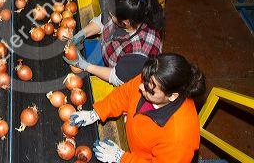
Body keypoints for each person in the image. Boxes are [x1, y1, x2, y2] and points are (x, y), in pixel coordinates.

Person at [70, 53, 206, 163]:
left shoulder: (179, 140)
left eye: (148, 88)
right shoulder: (152, 79)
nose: (140, 87)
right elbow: (125, 93)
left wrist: (122, 158)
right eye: (143, 81)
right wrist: (97, 113)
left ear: (172, 96)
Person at [64, 0, 163, 86]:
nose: (109, 17)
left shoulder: (140, 53)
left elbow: (116, 78)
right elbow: (101, 22)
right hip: (109, 53)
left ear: (125, 23)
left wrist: (85, 66)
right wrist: (81, 34)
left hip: (121, 74)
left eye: (112, 16)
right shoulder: (126, 11)